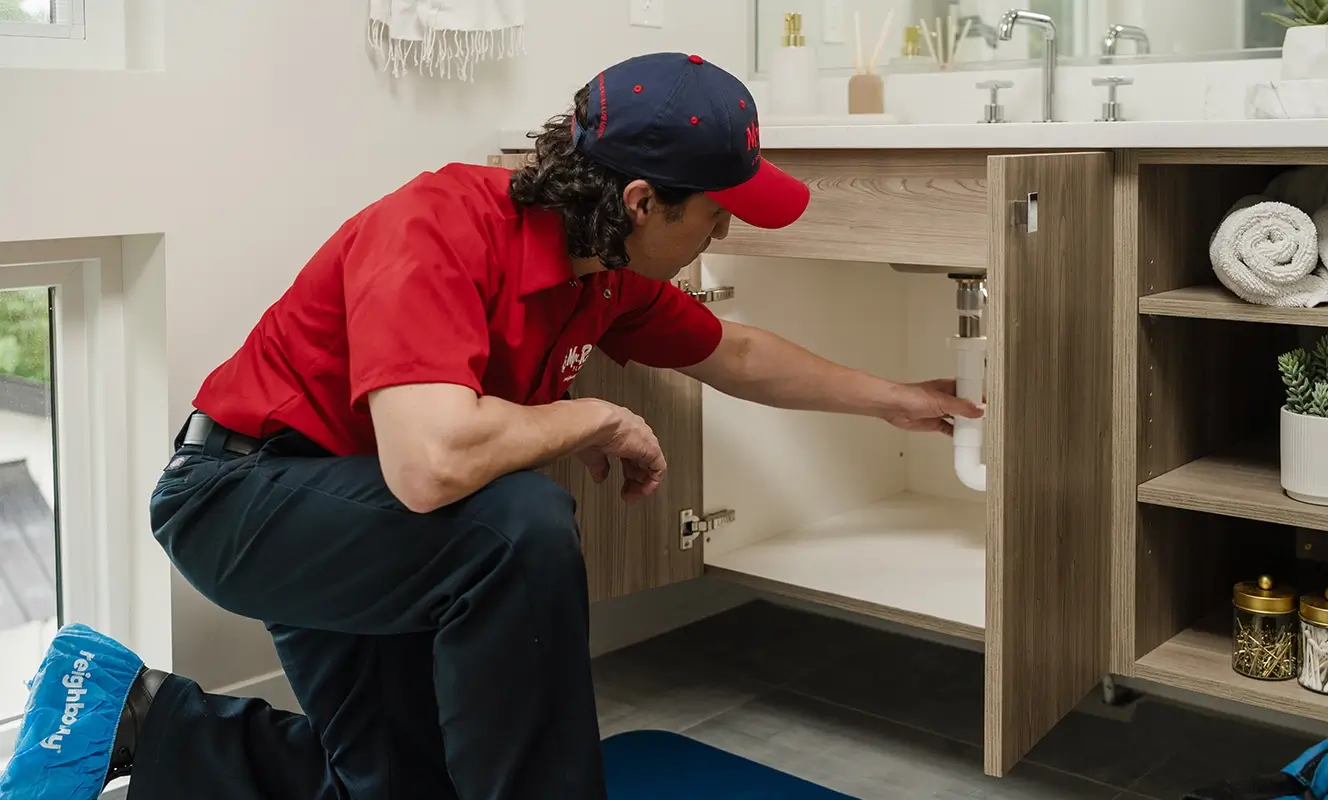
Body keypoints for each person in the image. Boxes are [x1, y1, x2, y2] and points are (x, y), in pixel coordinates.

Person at [0, 52, 982, 800]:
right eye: (714, 215)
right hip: (245, 496)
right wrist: (592, 412)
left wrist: (892, 396)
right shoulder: (438, 227)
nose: (722, 235)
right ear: (642, 201)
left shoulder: (602, 272)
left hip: (368, 517)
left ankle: (135, 713)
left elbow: (737, 351)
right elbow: (430, 466)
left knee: (403, 782)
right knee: (517, 520)